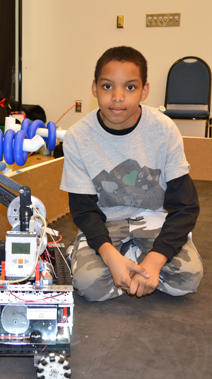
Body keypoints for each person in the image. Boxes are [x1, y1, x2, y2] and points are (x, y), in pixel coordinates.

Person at [60, 46, 203, 301]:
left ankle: (137, 259)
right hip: (105, 223)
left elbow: (185, 206)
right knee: (91, 286)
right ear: (94, 88)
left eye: (129, 87)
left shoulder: (164, 130)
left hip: (153, 219)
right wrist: (109, 255)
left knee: (187, 280)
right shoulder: (77, 137)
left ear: (144, 90)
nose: (117, 97)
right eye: (107, 87)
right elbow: (83, 209)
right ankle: (114, 257)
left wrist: (155, 262)